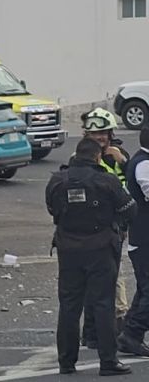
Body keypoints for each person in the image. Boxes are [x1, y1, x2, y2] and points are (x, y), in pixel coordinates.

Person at [47, 137, 137, 376]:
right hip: (101, 248)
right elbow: (130, 208)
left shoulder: (57, 180)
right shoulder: (106, 180)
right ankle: (108, 361)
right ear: (97, 157)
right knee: (103, 304)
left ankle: (66, 361)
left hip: (68, 249)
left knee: (68, 305)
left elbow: (51, 209)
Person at [78, 108, 133, 348]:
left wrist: (123, 161)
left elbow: (132, 185)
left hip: (115, 226)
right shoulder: (80, 157)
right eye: (94, 133)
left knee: (116, 277)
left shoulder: (118, 155)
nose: (99, 137)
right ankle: (94, 332)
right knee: (94, 281)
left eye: (102, 132)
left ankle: (116, 324)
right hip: (91, 229)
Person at [118, 128, 149, 356]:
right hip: (144, 238)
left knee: (145, 289)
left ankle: (129, 333)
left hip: (142, 238)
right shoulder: (143, 164)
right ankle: (133, 333)